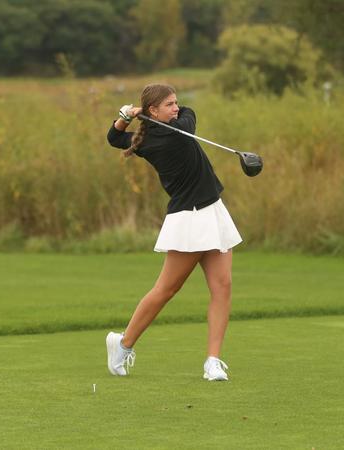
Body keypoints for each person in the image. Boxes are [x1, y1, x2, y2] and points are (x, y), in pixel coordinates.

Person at [105, 83, 242, 381]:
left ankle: (213, 361)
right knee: (166, 289)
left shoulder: (147, 139)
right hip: (190, 218)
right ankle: (123, 344)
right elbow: (190, 115)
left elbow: (114, 138)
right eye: (169, 104)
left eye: (176, 102)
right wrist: (140, 114)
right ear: (154, 111)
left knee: (223, 287)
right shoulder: (177, 133)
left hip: (212, 210)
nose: (177, 108)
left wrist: (126, 116)